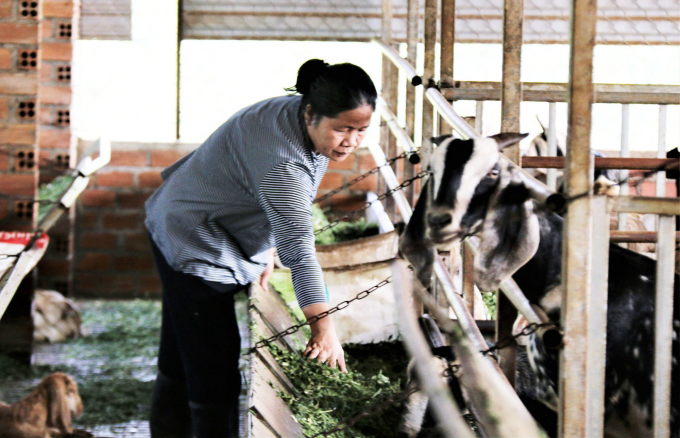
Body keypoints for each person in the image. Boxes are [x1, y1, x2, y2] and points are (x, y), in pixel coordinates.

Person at [145, 59, 377, 437]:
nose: (351, 140)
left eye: (361, 130)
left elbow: (258, 189)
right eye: (342, 129)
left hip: (185, 212)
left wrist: (265, 246)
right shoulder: (283, 164)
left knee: (182, 351)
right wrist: (324, 328)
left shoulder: (291, 111)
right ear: (311, 115)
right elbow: (300, 250)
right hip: (195, 239)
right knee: (214, 368)